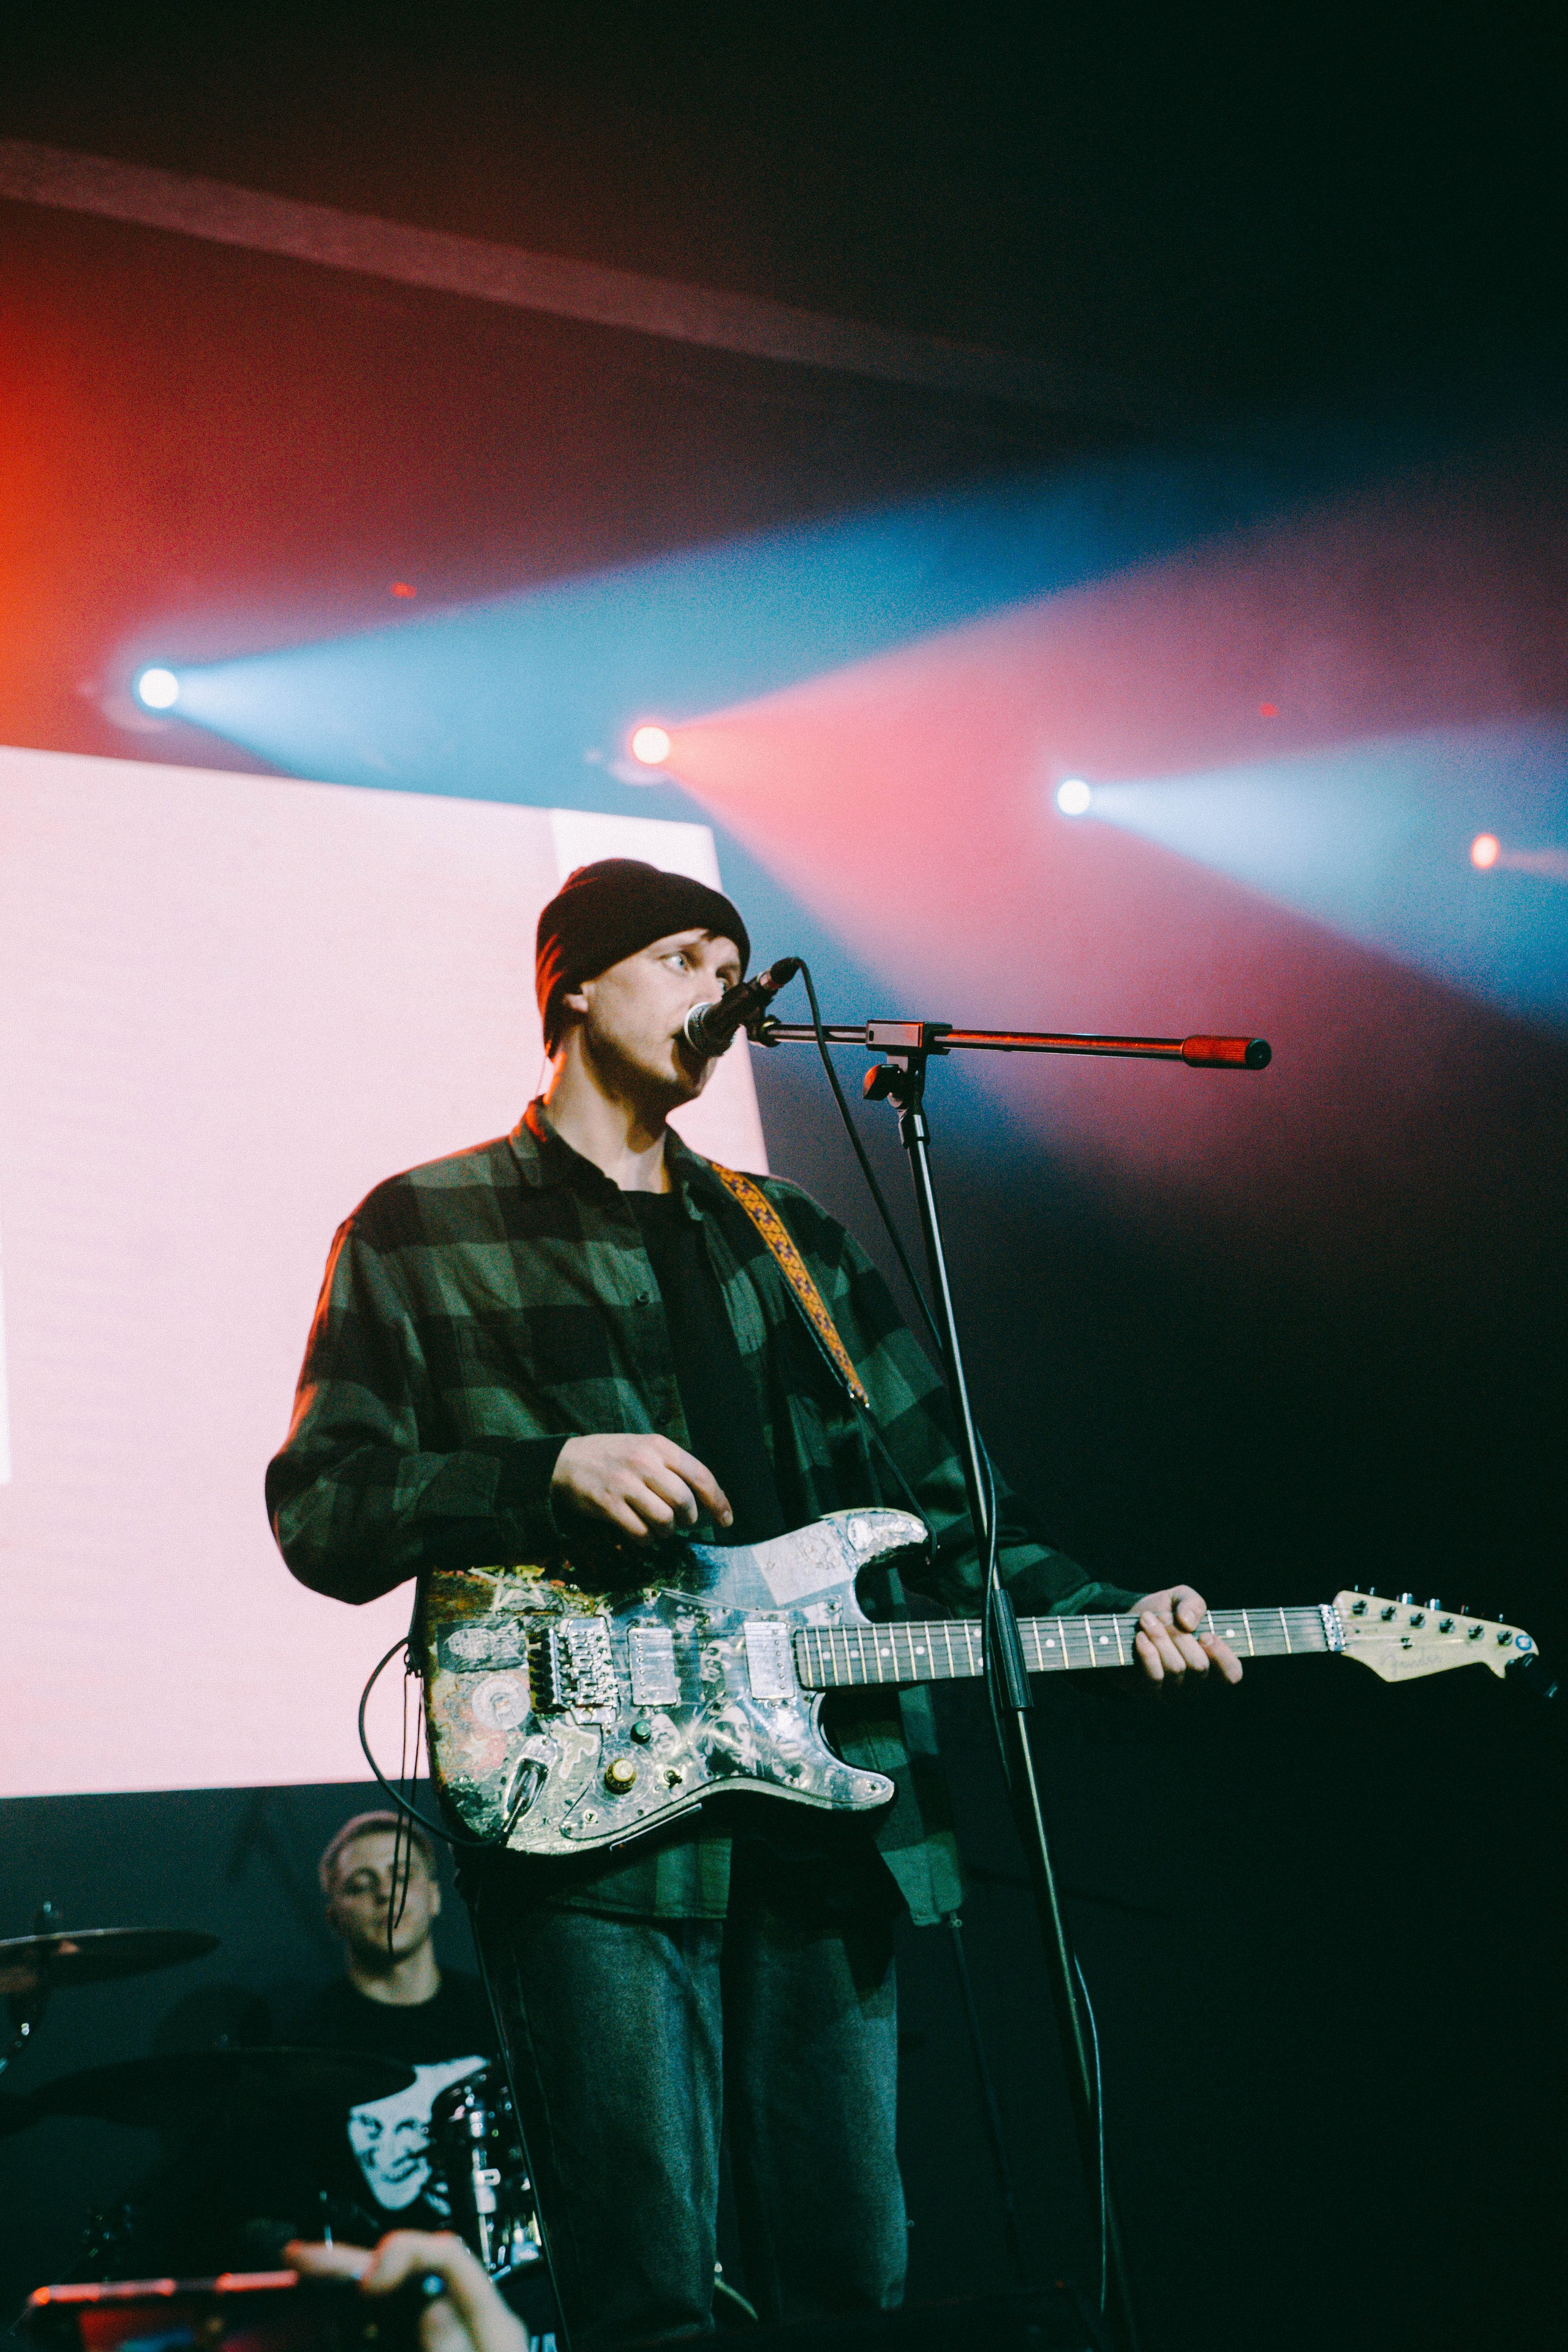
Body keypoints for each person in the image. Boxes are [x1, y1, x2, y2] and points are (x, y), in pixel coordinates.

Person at [267, 857, 1240, 2345]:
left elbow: (953, 1526)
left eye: (731, 963)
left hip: (823, 1824)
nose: (717, 991)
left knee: (850, 2274)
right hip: (585, 1828)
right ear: (573, 987)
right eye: (676, 956)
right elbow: (322, 1506)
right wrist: (542, 1473)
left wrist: (1115, 1621)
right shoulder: (420, 1225)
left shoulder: (793, 1241)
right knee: (647, 2281)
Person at [283, 1814, 499, 2239]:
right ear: (334, 1918)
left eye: (400, 1875)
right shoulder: (310, 2046)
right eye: (360, 1885)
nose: (384, 1893)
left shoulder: (495, 2014)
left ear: (435, 1897)